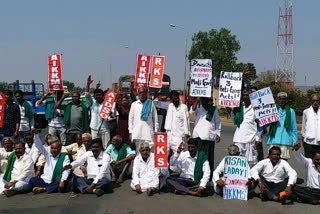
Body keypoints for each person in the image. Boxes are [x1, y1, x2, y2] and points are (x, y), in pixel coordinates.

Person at [190, 97, 221, 178]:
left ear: (209, 101)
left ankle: (208, 177)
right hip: (198, 137)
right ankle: (197, 175)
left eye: (206, 100)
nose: (205, 102)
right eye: (203, 100)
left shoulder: (213, 110)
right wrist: (196, 101)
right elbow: (192, 111)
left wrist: (218, 134)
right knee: (198, 157)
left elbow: (217, 122)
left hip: (210, 137)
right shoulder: (198, 108)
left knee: (209, 158)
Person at [85, 75, 117, 149]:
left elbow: (113, 116)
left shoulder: (108, 103)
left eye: (100, 95)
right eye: (96, 95)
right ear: (94, 96)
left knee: (106, 147)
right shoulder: (92, 102)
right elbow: (87, 95)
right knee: (95, 147)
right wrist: (88, 84)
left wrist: (110, 113)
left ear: (103, 96)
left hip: (105, 129)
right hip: (94, 128)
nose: (98, 97)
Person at [230, 90, 260, 167]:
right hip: (239, 138)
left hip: (250, 139)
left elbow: (260, 125)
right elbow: (235, 121)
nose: (246, 97)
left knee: (250, 162)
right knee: (237, 161)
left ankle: (249, 178)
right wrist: (229, 111)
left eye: (248, 95)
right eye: (244, 95)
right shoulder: (239, 107)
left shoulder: (256, 108)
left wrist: (258, 138)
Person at [267, 92, 298, 160]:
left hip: (285, 141)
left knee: (283, 164)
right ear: (278, 100)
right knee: (272, 162)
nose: (282, 100)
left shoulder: (291, 111)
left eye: (283, 99)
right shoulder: (273, 110)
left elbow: (294, 128)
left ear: (286, 100)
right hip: (274, 140)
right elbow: (266, 122)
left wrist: (295, 142)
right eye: (280, 99)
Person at [128, 86, 159, 151]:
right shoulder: (134, 105)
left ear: (146, 93)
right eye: (140, 93)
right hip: (137, 133)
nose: (142, 94)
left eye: (143, 92)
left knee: (150, 153)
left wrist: (156, 131)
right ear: (138, 94)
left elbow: (155, 118)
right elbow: (130, 119)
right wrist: (130, 132)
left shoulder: (151, 103)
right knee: (139, 153)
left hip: (148, 133)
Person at [301, 94, 320, 158]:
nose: (315, 102)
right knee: (309, 163)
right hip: (309, 142)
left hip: (319, 143)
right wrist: (303, 137)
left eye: (317, 100)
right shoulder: (306, 111)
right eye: (313, 100)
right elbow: (303, 126)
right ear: (311, 101)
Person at [251, 86, 264, 161]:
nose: (253, 94)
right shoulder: (246, 106)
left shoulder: (261, 106)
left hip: (257, 138)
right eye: (251, 92)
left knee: (259, 159)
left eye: (254, 93)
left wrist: (258, 137)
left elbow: (263, 124)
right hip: (247, 137)